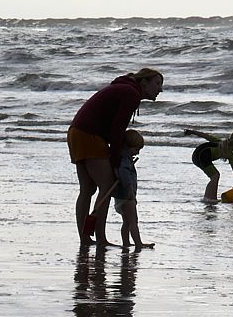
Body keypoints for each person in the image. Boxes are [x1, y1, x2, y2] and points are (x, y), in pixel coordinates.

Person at [66, 68, 163, 247]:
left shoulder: (126, 89)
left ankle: (85, 238)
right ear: (144, 82)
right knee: (107, 186)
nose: (160, 89)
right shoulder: (131, 94)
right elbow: (117, 130)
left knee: (87, 189)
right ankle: (100, 238)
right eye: (157, 84)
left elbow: (114, 129)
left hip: (76, 132)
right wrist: (117, 161)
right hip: (90, 134)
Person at [184, 128, 233, 200]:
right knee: (215, 176)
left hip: (198, 156)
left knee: (215, 176)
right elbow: (206, 136)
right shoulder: (220, 143)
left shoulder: (230, 156)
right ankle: (209, 198)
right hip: (201, 154)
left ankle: (209, 197)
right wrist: (192, 132)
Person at [113, 129, 153, 249]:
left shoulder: (122, 157)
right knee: (133, 221)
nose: (137, 153)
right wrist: (130, 189)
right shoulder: (125, 160)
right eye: (136, 150)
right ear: (127, 146)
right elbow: (124, 174)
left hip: (121, 196)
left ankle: (126, 242)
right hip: (127, 195)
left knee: (126, 222)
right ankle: (138, 243)